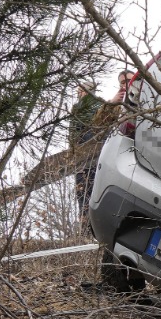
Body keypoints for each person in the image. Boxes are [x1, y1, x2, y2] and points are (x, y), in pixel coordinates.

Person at [69, 80, 102, 220]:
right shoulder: (101, 104)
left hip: (87, 153)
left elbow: (73, 134)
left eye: (81, 91)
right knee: (90, 190)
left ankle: (86, 224)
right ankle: (89, 223)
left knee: (84, 191)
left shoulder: (84, 106)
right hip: (94, 153)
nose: (78, 94)